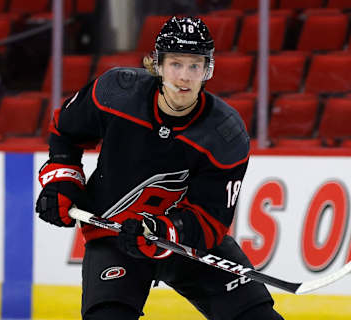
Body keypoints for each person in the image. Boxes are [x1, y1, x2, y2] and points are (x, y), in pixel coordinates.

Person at [35, 16, 284, 320]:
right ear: (158, 65)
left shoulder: (225, 134)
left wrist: (162, 230)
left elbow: (210, 220)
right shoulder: (116, 92)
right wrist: (62, 180)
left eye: (195, 66)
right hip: (115, 238)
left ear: (208, 70)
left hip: (187, 248)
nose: (184, 77)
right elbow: (65, 132)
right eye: (176, 64)